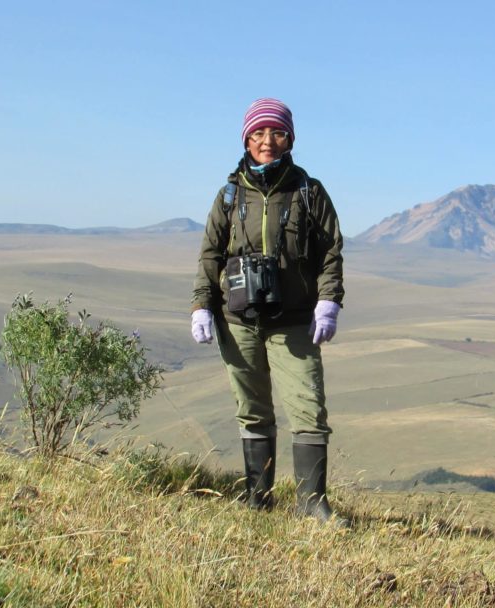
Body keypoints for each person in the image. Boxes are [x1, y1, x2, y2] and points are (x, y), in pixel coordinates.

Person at [190, 98, 346, 524]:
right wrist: (202, 305)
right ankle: (258, 498)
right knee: (252, 408)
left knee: (308, 408)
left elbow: (331, 250)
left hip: (294, 319)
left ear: (290, 138)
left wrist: (329, 300)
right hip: (238, 320)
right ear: (246, 138)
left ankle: (312, 502)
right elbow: (210, 255)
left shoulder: (308, 190)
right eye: (258, 133)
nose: (267, 141)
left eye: (276, 132)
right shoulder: (228, 194)